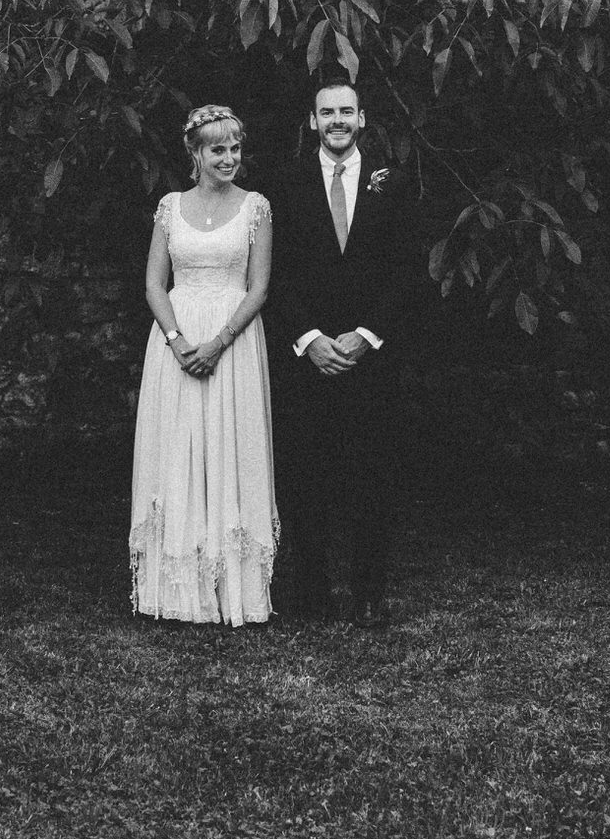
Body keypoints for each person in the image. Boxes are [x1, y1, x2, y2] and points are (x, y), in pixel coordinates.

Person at [265, 72, 413, 628]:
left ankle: (370, 590)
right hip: (309, 356)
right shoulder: (284, 183)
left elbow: (404, 269)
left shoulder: (391, 183)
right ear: (312, 121)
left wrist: (367, 334)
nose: (337, 122)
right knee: (307, 474)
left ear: (362, 119)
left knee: (372, 473)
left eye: (346, 112)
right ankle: (311, 589)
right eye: (327, 113)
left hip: (370, 356)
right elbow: (273, 273)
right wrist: (308, 339)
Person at [128, 104, 277, 625]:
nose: (229, 158)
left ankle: (233, 590)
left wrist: (218, 342)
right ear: (195, 153)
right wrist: (177, 339)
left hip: (232, 339)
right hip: (177, 340)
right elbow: (153, 282)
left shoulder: (256, 208)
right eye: (218, 149)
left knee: (230, 448)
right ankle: (175, 589)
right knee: (179, 449)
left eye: (235, 148)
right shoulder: (170, 207)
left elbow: (259, 287)